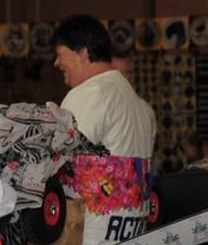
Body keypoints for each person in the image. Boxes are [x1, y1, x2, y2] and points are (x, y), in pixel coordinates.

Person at [53, 13, 155, 159]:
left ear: (82, 53)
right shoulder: (134, 99)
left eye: (59, 54)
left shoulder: (89, 93)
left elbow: (63, 159)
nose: (56, 62)